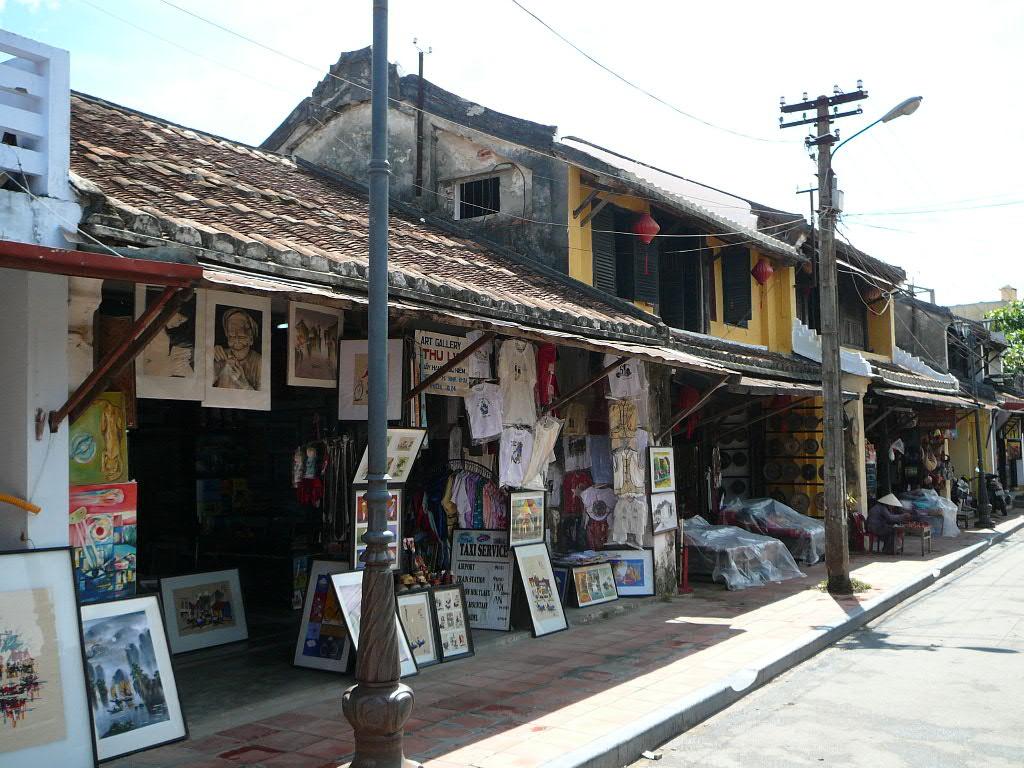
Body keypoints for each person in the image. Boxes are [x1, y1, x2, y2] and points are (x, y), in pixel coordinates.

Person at [213, 308, 261, 390]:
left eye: (242, 335)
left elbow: (262, 396)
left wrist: (243, 383)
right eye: (231, 334)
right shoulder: (221, 355)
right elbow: (204, 384)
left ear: (251, 339)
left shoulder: (259, 362)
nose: (236, 334)